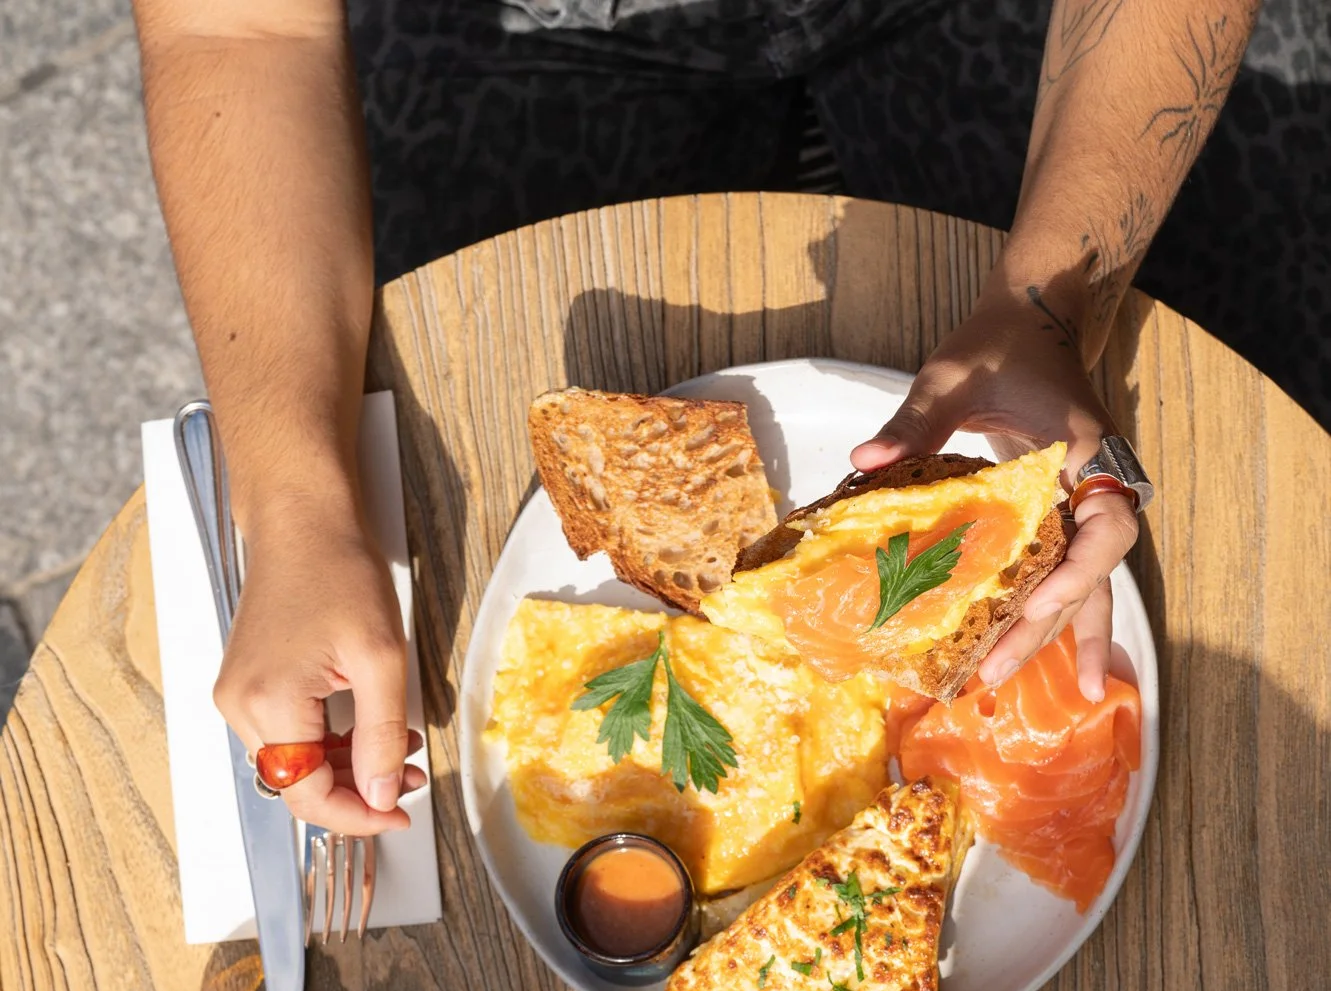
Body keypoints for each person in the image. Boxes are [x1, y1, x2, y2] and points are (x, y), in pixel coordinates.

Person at [129, 0, 1265, 836]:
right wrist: (293, 509)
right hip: (532, 29)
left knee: (1249, 349)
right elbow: (234, 32)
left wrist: (1050, 308)